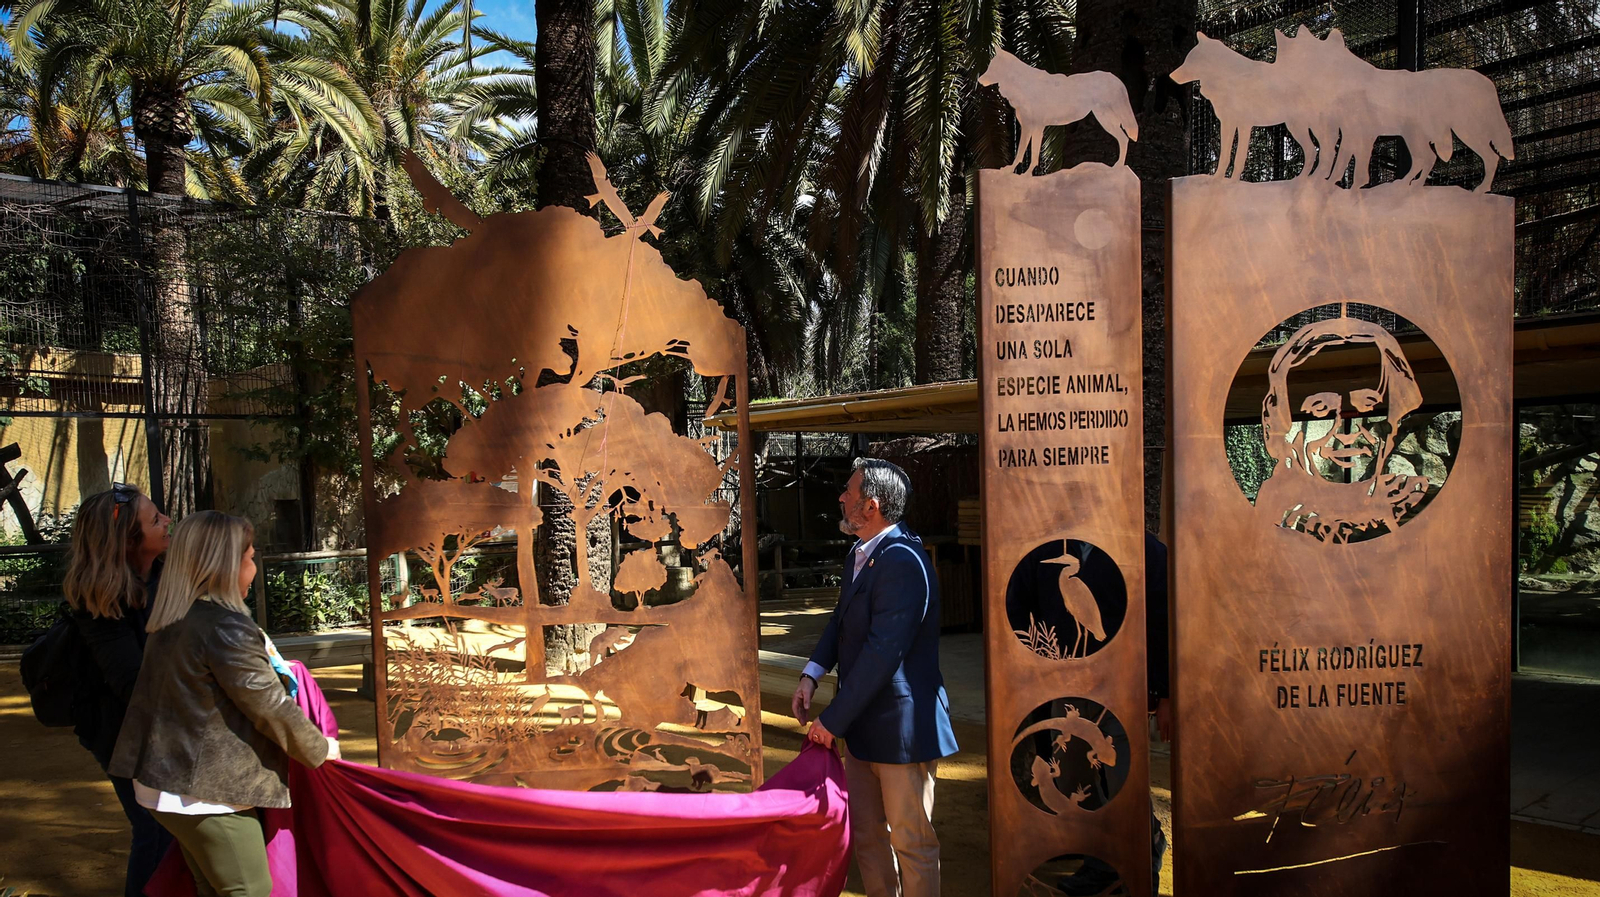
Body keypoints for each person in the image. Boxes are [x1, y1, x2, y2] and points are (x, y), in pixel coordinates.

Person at [111, 511, 339, 897]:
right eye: (249, 557)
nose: (253, 566)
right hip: (202, 791)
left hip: (168, 781)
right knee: (247, 889)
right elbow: (269, 705)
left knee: (212, 886)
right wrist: (319, 748)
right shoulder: (225, 627)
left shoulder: (177, 617)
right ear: (226, 565)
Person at [792, 458, 959, 897]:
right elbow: (841, 620)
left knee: (911, 842)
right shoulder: (861, 553)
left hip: (902, 731)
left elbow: (882, 653)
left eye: (849, 491)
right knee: (867, 838)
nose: (841, 497)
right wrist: (812, 673)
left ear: (872, 505)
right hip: (864, 728)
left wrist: (832, 720)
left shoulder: (902, 559)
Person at [63, 483, 175, 897]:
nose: (166, 522)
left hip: (165, 724)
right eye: (155, 519)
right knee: (155, 829)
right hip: (118, 731)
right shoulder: (99, 598)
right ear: (129, 541)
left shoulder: (165, 573)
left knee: (179, 829)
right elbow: (131, 683)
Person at [1255, 313, 1430, 543]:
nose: (1345, 435)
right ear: (1279, 424)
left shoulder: (1411, 506)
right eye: (1320, 408)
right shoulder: (1274, 517)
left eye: (1368, 405)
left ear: (1393, 424)